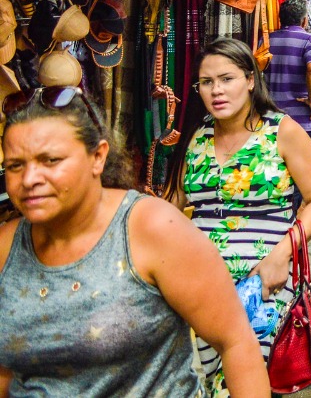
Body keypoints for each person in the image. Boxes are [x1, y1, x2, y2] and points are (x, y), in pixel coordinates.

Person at [0, 87, 270, 397]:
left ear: (97, 157)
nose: (30, 178)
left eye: (50, 160)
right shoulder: (7, 246)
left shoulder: (152, 230)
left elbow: (236, 342)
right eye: (15, 166)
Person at [165, 38, 311, 396]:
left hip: (263, 283)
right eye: (206, 82)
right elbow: (174, 204)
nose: (216, 90)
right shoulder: (196, 135)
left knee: (252, 383)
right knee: (209, 383)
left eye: (227, 79)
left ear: (251, 79)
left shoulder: (282, 131)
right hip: (202, 288)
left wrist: (280, 256)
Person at [264, 0, 311, 133]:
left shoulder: (266, 40)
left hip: (270, 115)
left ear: (280, 20)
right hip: (299, 117)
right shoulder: (309, 40)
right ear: (304, 21)